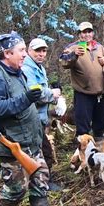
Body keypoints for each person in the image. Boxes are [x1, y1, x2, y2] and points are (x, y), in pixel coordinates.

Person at [0, 31, 69, 206]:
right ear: (7, 53)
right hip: (12, 144)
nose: (24, 54)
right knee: (15, 189)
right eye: (21, 50)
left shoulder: (17, 70)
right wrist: (26, 99)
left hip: (30, 140)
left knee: (40, 179)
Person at [60, 21, 104, 140]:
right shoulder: (72, 47)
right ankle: (82, 151)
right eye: (84, 32)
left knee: (100, 124)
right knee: (83, 126)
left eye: (89, 31)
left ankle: (98, 148)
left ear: (92, 33)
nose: (87, 34)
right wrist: (74, 54)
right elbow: (63, 63)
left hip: (101, 93)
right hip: (83, 93)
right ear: (79, 34)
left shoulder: (99, 47)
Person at [23, 38, 62, 191]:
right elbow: (35, 93)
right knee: (43, 152)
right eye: (37, 50)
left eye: (44, 51)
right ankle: (43, 183)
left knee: (42, 150)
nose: (41, 54)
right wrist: (53, 94)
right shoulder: (27, 69)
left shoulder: (38, 67)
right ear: (29, 51)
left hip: (40, 118)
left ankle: (42, 181)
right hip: (32, 119)